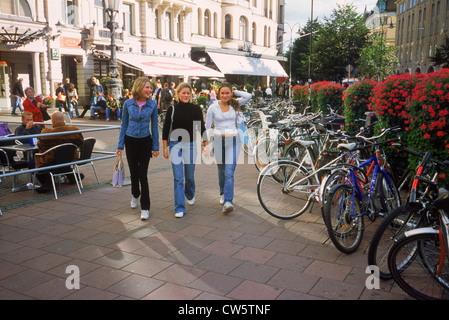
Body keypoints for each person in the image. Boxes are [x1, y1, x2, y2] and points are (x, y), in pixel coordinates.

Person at [116, 77, 159, 220]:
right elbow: (124, 125)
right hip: (130, 141)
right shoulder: (128, 104)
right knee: (134, 173)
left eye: (150, 88)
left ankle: (145, 207)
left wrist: (155, 146)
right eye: (147, 87)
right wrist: (119, 145)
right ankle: (135, 194)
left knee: (143, 174)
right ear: (139, 87)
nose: (149, 90)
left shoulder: (152, 105)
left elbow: (154, 127)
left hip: (145, 142)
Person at [162, 82, 207, 218]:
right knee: (178, 178)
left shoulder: (196, 109)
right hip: (175, 145)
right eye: (183, 93)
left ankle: (190, 193)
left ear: (191, 94)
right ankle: (179, 207)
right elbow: (165, 128)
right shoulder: (172, 109)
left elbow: (201, 127)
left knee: (190, 176)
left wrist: (205, 144)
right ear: (178, 94)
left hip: (191, 144)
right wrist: (165, 147)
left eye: (188, 93)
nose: (186, 95)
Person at [205, 82, 251, 214]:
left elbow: (248, 96)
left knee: (229, 172)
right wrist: (205, 144)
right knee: (221, 171)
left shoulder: (235, 104)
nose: (225, 95)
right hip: (218, 140)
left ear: (231, 93)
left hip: (234, 140)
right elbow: (208, 127)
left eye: (227, 93)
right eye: (222, 93)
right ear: (218, 94)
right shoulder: (212, 108)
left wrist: (234, 92)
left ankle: (228, 201)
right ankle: (222, 193)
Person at [35, 111, 84, 193]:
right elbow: (81, 143)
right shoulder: (74, 130)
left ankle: (48, 183)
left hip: (51, 160)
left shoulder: (46, 133)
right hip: (70, 158)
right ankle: (72, 176)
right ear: (64, 119)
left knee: (34, 163)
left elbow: (40, 146)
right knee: (62, 164)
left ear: (52, 121)